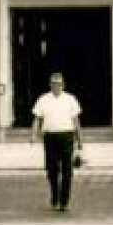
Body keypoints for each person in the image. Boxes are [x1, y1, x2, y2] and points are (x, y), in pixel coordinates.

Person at [30, 72, 82, 211]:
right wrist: (33, 134)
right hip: (50, 137)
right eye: (53, 83)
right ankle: (55, 194)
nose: (56, 86)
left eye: (59, 83)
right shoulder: (43, 99)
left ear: (63, 85)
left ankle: (64, 200)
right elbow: (37, 118)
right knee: (52, 169)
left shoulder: (70, 99)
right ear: (50, 85)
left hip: (67, 136)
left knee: (67, 170)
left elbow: (76, 121)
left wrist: (80, 140)